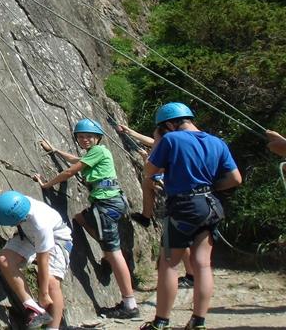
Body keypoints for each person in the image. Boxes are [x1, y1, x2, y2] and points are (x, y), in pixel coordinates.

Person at [140, 102, 242, 330]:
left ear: (169, 124)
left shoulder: (170, 139)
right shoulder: (217, 142)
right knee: (203, 265)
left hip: (183, 206)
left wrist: (158, 147)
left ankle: (161, 322)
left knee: (169, 264)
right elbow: (235, 179)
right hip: (210, 205)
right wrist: (210, 188)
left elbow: (149, 171)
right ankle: (198, 321)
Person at [36, 119, 139, 319]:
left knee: (113, 252)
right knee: (80, 218)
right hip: (109, 203)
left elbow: (71, 171)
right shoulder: (95, 153)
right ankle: (109, 253)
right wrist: (54, 150)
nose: (84, 140)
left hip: (106, 204)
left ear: (97, 138)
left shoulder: (99, 151)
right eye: (81, 137)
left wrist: (46, 184)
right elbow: (76, 160)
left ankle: (130, 305)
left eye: (88, 137)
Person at [0, 191, 72, 330]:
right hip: (28, 234)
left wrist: (43, 294)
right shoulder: (14, 201)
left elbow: (43, 262)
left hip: (56, 238)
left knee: (51, 282)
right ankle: (33, 308)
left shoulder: (41, 225)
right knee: (4, 260)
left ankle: (53, 328)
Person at [118, 124, 197, 289]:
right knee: (183, 241)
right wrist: (131, 132)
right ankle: (190, 275)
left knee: (175, 242)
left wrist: (146, 159)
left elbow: (151, 171)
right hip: (190, 200)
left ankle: (186, 276)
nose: (154, 141)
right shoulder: (174, 145)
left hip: (172, 198)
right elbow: (153, 142)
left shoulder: (167, 150)